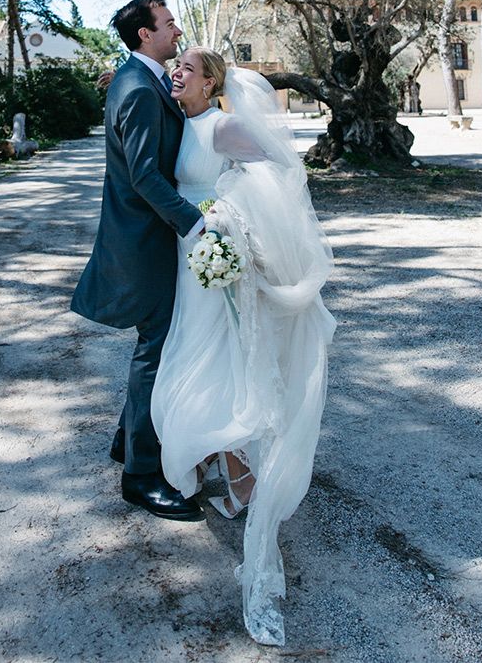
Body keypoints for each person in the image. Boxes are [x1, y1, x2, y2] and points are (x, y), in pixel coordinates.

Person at [151, 47, 336, 645]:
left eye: (187, 69)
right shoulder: (184, 119)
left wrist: (228, 222)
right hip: (190, 262)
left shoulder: (224, 124)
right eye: (173, 66)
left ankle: (232, 463)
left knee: (217, 361)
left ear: (212, 81)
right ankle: (221, 462)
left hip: (212, 260)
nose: (176, 73)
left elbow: (278, 171)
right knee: (194, 354)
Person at [70, 0, 205, 521]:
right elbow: (145, 176)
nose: (176, 30)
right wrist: (197, 224)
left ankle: (128, 442)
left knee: (156, 346)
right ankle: (141, 478)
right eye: (168, 23)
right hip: (145, 243)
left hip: (143, 239)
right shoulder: (139, 88)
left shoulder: (139, 79)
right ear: (146, 35)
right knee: (157, 351)